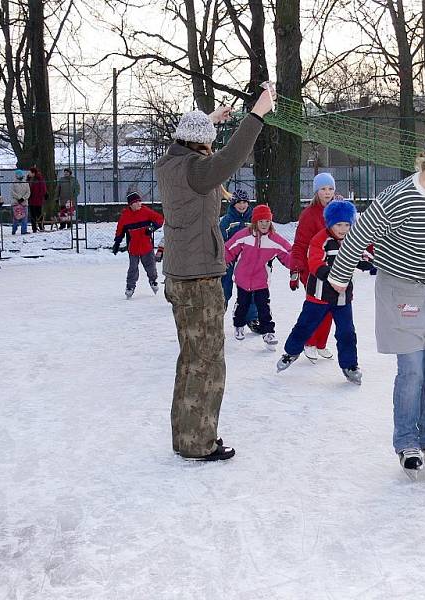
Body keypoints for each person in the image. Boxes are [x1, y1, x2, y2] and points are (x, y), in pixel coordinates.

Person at [328, 136, 425, 477]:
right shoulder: (398, 197)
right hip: (401, 294)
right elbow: (360, 232)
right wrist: (340, 274)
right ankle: (407, 441)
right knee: (412, 371)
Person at [155, 86, 275, 461]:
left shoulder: (169, 162)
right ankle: (200, 443)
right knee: (208, 362)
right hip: (199, 278)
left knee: (191, 358)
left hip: (178, 274)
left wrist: (210, 120)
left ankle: (185, 438)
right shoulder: (198, 170)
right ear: (201, 146)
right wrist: (256, 114)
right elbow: (231, 157)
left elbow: (188, 139)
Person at [277, 200, 370, 384]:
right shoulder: (320, 240)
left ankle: (350, 365)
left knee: (347, 332)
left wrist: (366, 262)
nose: (343, 229)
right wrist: (332, 276)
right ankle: (291, 352)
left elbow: (362, 257)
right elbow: (315, 263)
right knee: (305, 326)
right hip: (318, 296)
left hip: (342, 297)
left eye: (347, 224)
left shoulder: (352, 240)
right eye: (338, 224)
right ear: (330, 223)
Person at [224, 204, 292, 346]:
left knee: (263, 305)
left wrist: (297, 266)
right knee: (243, 303)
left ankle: (268, 332)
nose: (264, 224)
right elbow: (229, 248)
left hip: (261, 279)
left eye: (267, 221)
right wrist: (223, 262)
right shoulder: (244, 235)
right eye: (261, 221)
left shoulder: (274, 239)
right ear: (255, 222)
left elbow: (289, 253)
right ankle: (239, 325)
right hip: (242, 277)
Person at [290, 173, 339, 361]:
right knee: (315, 308)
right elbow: (300, 243)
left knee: (330, 308)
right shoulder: (309, 215)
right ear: (316, 192)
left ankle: (321, 344)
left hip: (334, 269)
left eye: (330, 189)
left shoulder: (338, 211)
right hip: (312, 269)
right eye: (323, 189)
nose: (327, 193)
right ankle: (309, 342)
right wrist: (296, 268)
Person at [112, 191, 165, 298]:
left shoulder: (146, 211)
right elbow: (120, 230)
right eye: (136, 202)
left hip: (146, 246)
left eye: (140, 201)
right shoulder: (125, 216)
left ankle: (153, 281)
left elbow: (160, 219)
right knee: (133, 268)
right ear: (131, 204)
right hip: (133, 248)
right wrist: (117, 242)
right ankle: (130, 287)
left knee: (151, 266)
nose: (139, 204)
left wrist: (152, 228)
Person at [219, 188, 259, 329]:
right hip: (231, 260)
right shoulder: (227, 220)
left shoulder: (254, 219)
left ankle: (252, 318)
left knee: (250, 289)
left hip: (248, 261)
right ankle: (218, 314)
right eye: (239, 203)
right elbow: (221, 240)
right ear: (233, 204)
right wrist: (225, 258)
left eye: (244, 202)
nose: (242, 205)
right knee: (225, 288)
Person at [27, 167, 47, 232]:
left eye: (30, 172)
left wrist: (43, 195)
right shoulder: (28, 179)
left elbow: (43, 188)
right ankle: (34, 228)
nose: (28, 173)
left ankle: (41, 226)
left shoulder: (39, 179)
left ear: (33, 173)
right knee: (32, 214)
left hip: (38, 199)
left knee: (38, 213)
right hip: (31, 199)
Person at [11, 170, 30, 235]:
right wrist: (19, 198)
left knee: (25, 217)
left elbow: (28, 192)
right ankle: (14, 229)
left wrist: (23, 198)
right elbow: (12, 192)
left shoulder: (26, 183)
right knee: (16, 217)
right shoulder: (14, 183)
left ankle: (24, 230)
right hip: (16, 203)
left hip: (24, 203)